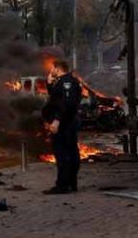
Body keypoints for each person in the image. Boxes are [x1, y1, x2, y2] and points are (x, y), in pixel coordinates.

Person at [42, 60, 83, 194]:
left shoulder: (67, 83)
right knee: (70, 151)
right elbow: (56, 99)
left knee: (63, 153)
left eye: (52, 68)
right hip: (68, 122)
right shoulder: (66, 81)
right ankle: (71, 183)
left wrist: (57, 120)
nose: (51, 71)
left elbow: (66, 103)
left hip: (65, 123)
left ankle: (63, 185)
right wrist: (48, 84)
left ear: (58, 68)